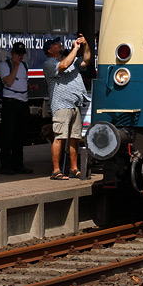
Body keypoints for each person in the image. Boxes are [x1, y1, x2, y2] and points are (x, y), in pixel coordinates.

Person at [43, 35, 90, 180]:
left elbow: (86, 60)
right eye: (56, 44)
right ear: (50, 50)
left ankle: (73, 169)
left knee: (74, 138)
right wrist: (75, 49)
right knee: (60, 137)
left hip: (75, 104)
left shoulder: (71, 59)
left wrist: (85, 45)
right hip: (61, 105)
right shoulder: (49, 64)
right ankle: (56, 170)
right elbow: (63, 66)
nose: (59, 44)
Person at [0, 42, 34, 175]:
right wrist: (16, 66)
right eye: (18, 54)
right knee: (8, 134)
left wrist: (30, 86)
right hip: (10, 102)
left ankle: (18, 163)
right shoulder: (4, 65)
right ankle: (5, 165)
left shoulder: (24, 65)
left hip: (23, 101)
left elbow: (22, 81)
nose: (20, 57)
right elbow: (8, 81)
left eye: (22, 54)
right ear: (12, 53)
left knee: (20, 134)